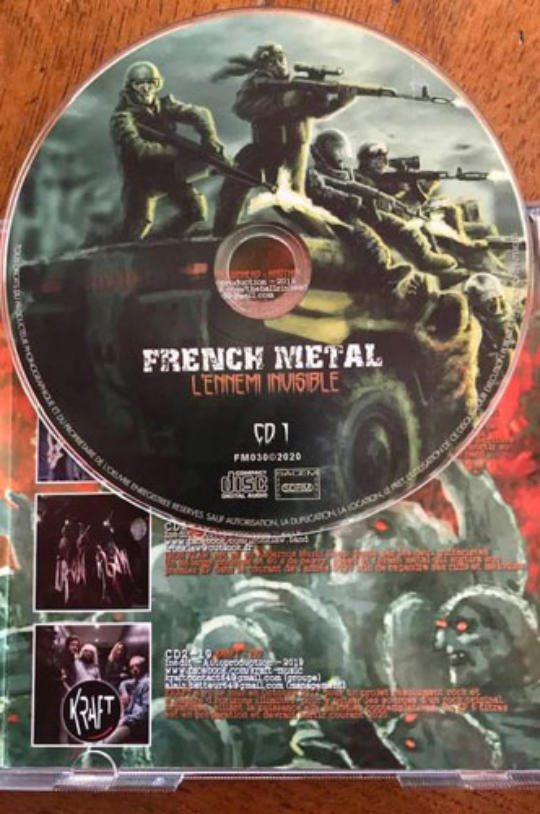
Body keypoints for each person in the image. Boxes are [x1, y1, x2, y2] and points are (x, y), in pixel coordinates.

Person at [212, 43, 357, 235]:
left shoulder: (299, 85)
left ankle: (327, 237)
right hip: (263, 146)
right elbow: (242, 108)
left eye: (281, 59)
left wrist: (339, 102)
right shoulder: (257, 84)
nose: (279, 64)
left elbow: (316, 111)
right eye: (272, 62)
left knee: (288, 200)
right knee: (233, 186)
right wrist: (281, 101)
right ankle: (221, 235)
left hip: (291, 150)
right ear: (262, 66)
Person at [111, 61, 224, 239]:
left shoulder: (164, 106)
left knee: (195, 211)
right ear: (130, 87)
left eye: (150, 83)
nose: (146, 89)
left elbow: (200, 113)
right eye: (140, 84)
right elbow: (138, 149)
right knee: (137, 225)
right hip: (140, 179)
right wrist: (173, 152)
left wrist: (210, 139)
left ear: (157, 85)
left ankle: (162, 241)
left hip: (167, 173)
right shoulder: (122, 118)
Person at [306, 129, 411, 286]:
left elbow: (351, 186)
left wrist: (377, 196)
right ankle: (382, 275)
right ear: (326, 152)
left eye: (342, 150)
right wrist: (351, 200)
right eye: (337, 150)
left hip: (349, 210)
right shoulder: (315, 173)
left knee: (391, 225)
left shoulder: (341, 172)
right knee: (369, 239)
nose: (341, 155)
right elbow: (324, 192)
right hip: (335, 213)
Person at [355, 142, 457, 272]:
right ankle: (425, 258)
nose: (382, 164)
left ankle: (435, 255)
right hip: (372, 217)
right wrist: (396, 187)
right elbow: (372, 195)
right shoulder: (359, 177)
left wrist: (409, 185)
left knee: (421, 221)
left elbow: (384, 192)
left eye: (384, 160)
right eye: (377, 160)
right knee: (409, 227)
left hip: (382, 213)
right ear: (365, 161)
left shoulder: (381, 178)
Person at [104, 655, 150, 743]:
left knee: (108, 741)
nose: (134, 669)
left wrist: (124, 720)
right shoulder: (136, 681)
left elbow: (145, 713)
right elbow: (123, 683)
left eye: (137, 665)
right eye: (132, 667)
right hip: (129, 718)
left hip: (137, 724)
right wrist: (124, 692)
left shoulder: (147, 683)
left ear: (144, 666)